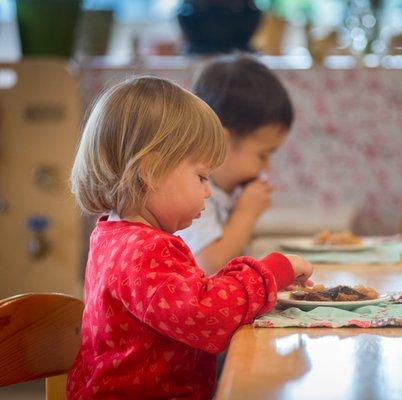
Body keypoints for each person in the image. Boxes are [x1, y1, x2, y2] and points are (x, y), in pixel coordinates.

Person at [66, 76, 312, 399]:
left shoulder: (114, 234)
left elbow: (196, 292)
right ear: (151, 171)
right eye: (201, 176)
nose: (208, 191)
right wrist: (274, 271)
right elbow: (207, 316)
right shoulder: (146, 250)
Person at [177, 54, 294, 273]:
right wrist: (245, 214)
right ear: (222, 141)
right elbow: (209, 265)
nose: (266, 167)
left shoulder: (223, 191)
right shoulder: (194, 192)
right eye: (262, 155)